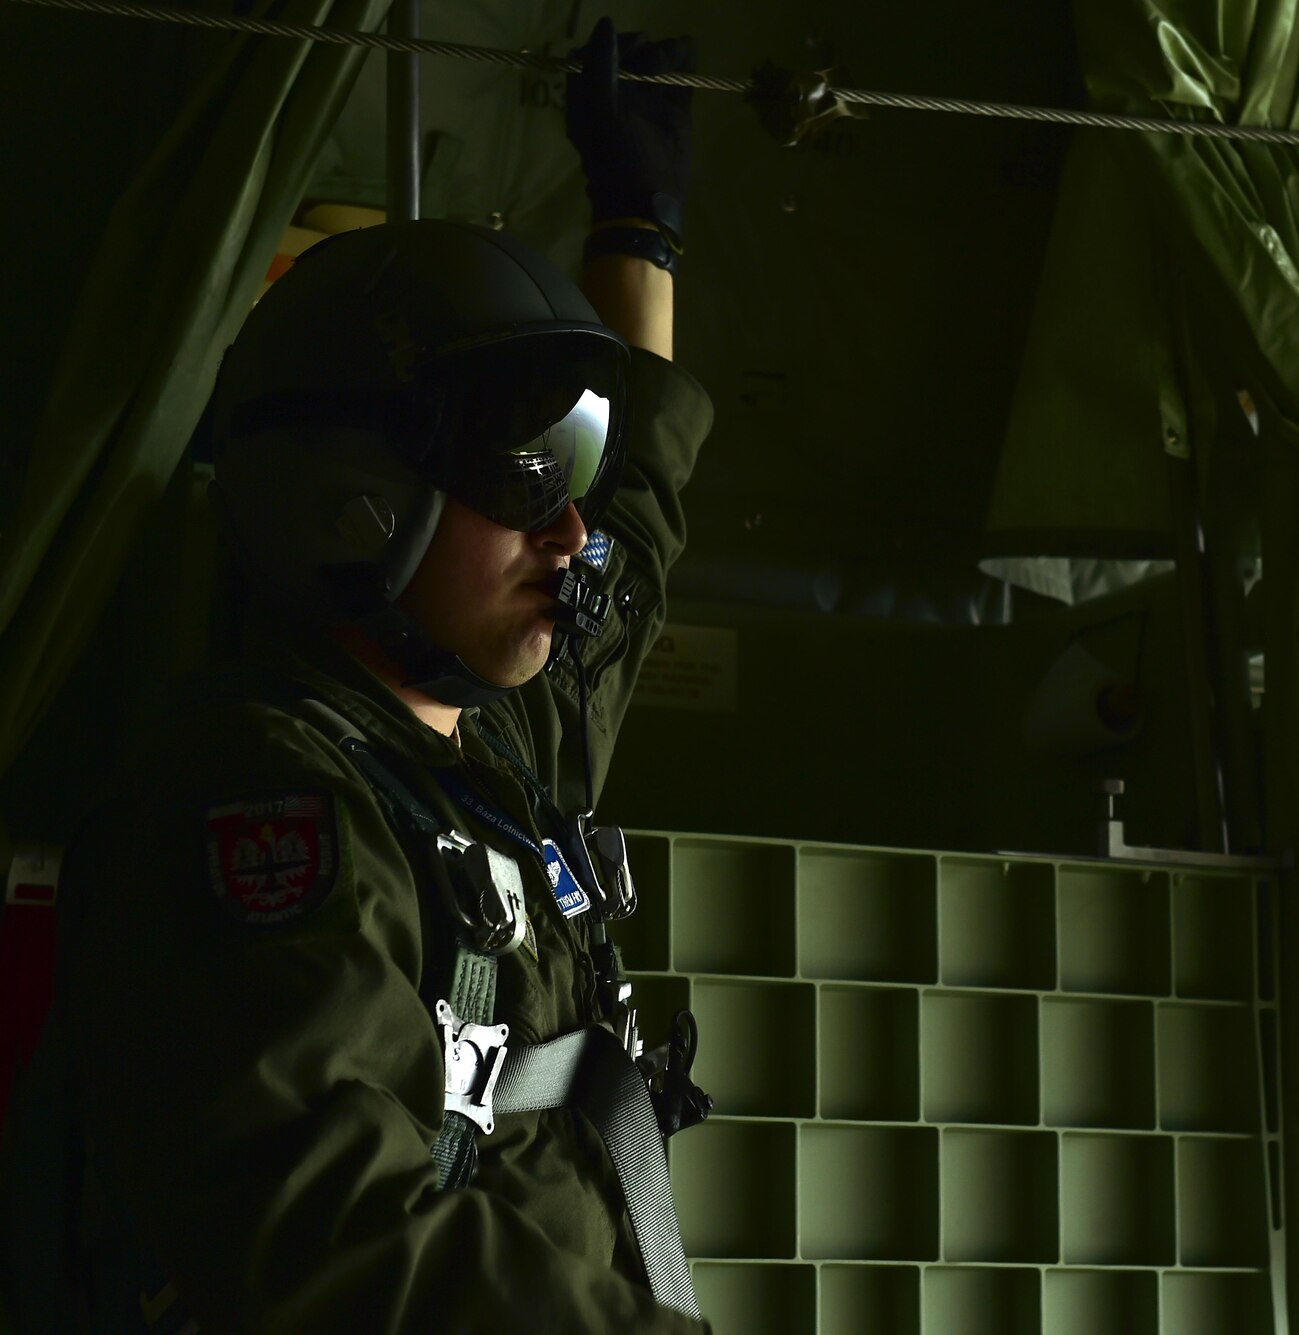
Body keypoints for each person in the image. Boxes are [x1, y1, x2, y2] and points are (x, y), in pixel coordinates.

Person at [3, 18, 715, 1334]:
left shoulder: (491, 754)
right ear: (356, 501)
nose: (571, 533)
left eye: (576, 477)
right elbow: (340, 1249)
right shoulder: (262, 807)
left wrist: (639, 231)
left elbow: (641, 518)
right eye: (525, 476)